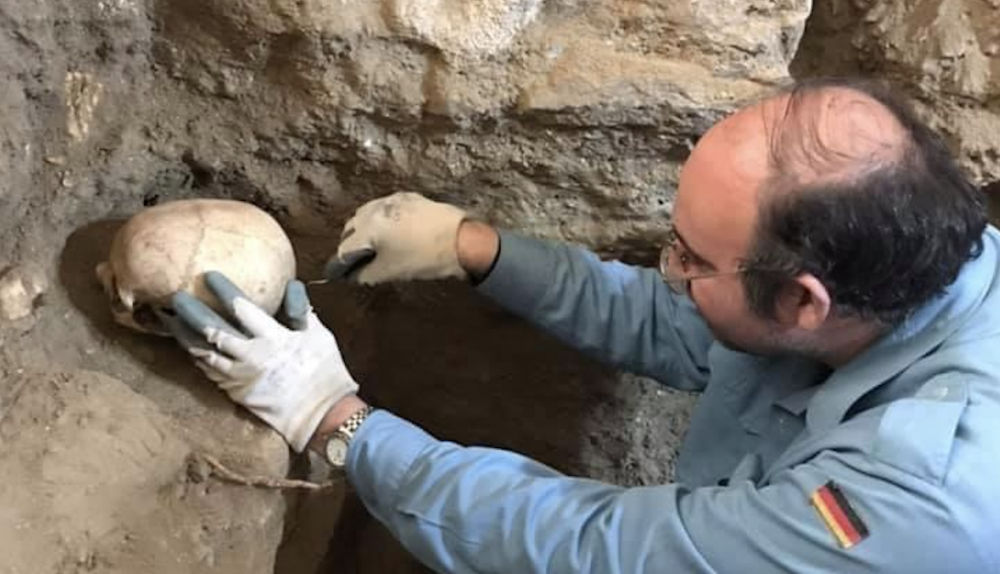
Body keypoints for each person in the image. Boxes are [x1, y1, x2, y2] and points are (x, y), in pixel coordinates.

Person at [161, 77, 1000, 573]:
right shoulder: (914, 258)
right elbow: (690, 327)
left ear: (803, 301)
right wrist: (475, 249)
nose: (668, 269)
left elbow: (597, 550)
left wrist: (335, 422)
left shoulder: (914, 500)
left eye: (692, 258)